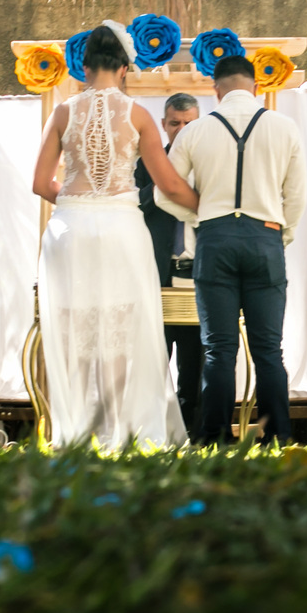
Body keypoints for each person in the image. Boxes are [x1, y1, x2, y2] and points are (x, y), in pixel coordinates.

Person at [31, 21, 199, 449]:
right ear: (124, 68)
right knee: (121, 326)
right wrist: (207, 207)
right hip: (122, 228)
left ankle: (76, 430)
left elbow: (40, 183)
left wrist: (77, 202)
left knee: (75, 327)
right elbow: (169, 184)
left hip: (69, 229)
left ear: (85, 67)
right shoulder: (138, 115)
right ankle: (118, 428)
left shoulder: (62, 112)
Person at [155, 54, 307, 445]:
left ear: (216, 90)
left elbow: (164, 192)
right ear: (255, 87)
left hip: (214, 239)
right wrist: (280, 235)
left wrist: (202, 216)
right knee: (268, 350)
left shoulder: (195, 131)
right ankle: (278, 437)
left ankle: (214, 438)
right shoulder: (284, 127)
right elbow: (296, 197)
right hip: (265, 238)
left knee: (218, 349)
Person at [134, 92, 204, 437]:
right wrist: (165, 182)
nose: (182, 129)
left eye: (189, 123)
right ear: (163, 125)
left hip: (197, 278)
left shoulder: (209, 163)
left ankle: (193, 438)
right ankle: (153, 435)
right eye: (175, 123)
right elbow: (133, 206)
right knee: (152, 365)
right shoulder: (145, 164)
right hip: (157, 278)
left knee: (196, 369)